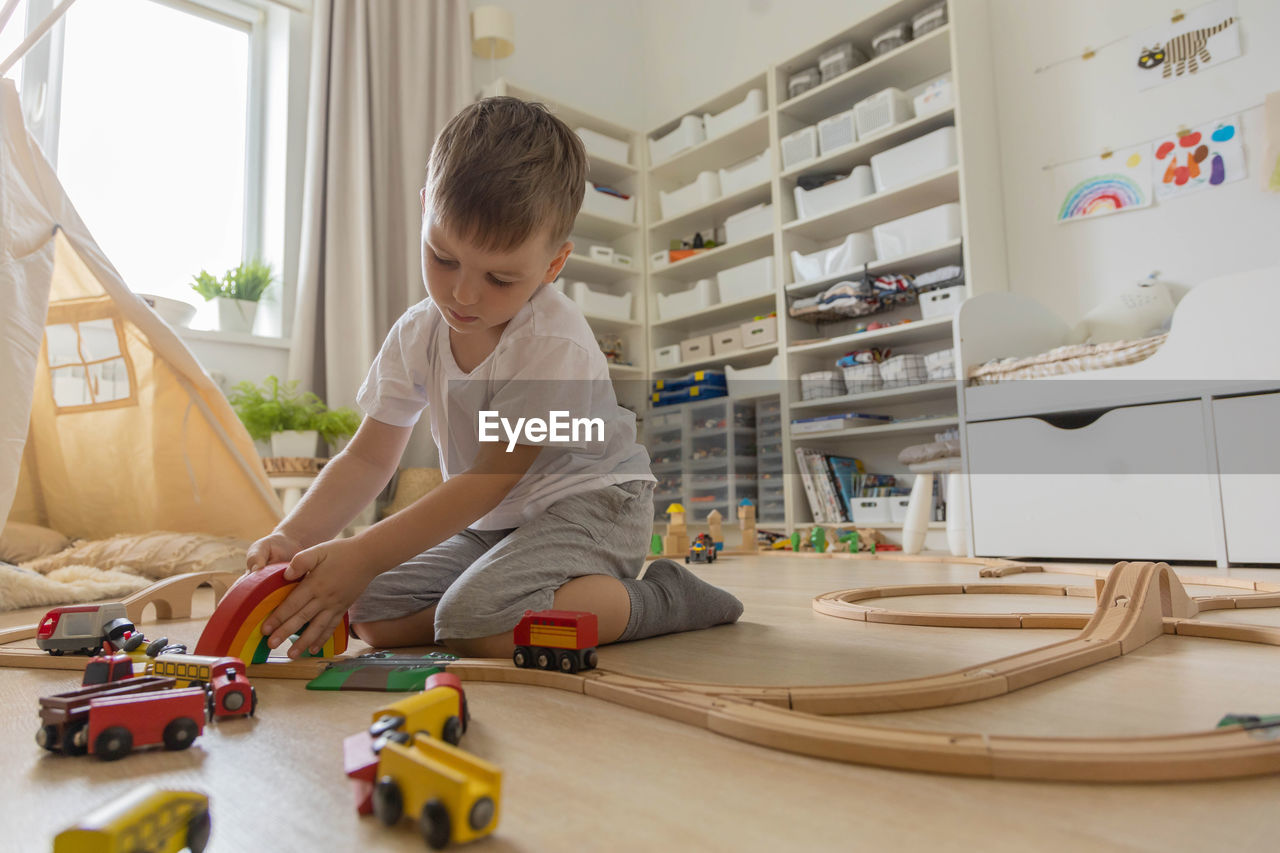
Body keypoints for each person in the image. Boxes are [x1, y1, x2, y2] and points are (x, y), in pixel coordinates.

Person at [247, 97, 743, 660]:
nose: (463, 294)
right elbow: (367, 458)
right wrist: (294, 536)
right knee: (369, 611)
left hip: (595, 506)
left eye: (501, 278)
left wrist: (361, 552)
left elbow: (490, 477)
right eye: (442, 257)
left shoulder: (549, 341)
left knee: (475, 623)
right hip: (498, 522)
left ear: (553, 265)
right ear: (425, 210)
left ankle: (662, 598)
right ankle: (502, 601)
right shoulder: (418, 333)